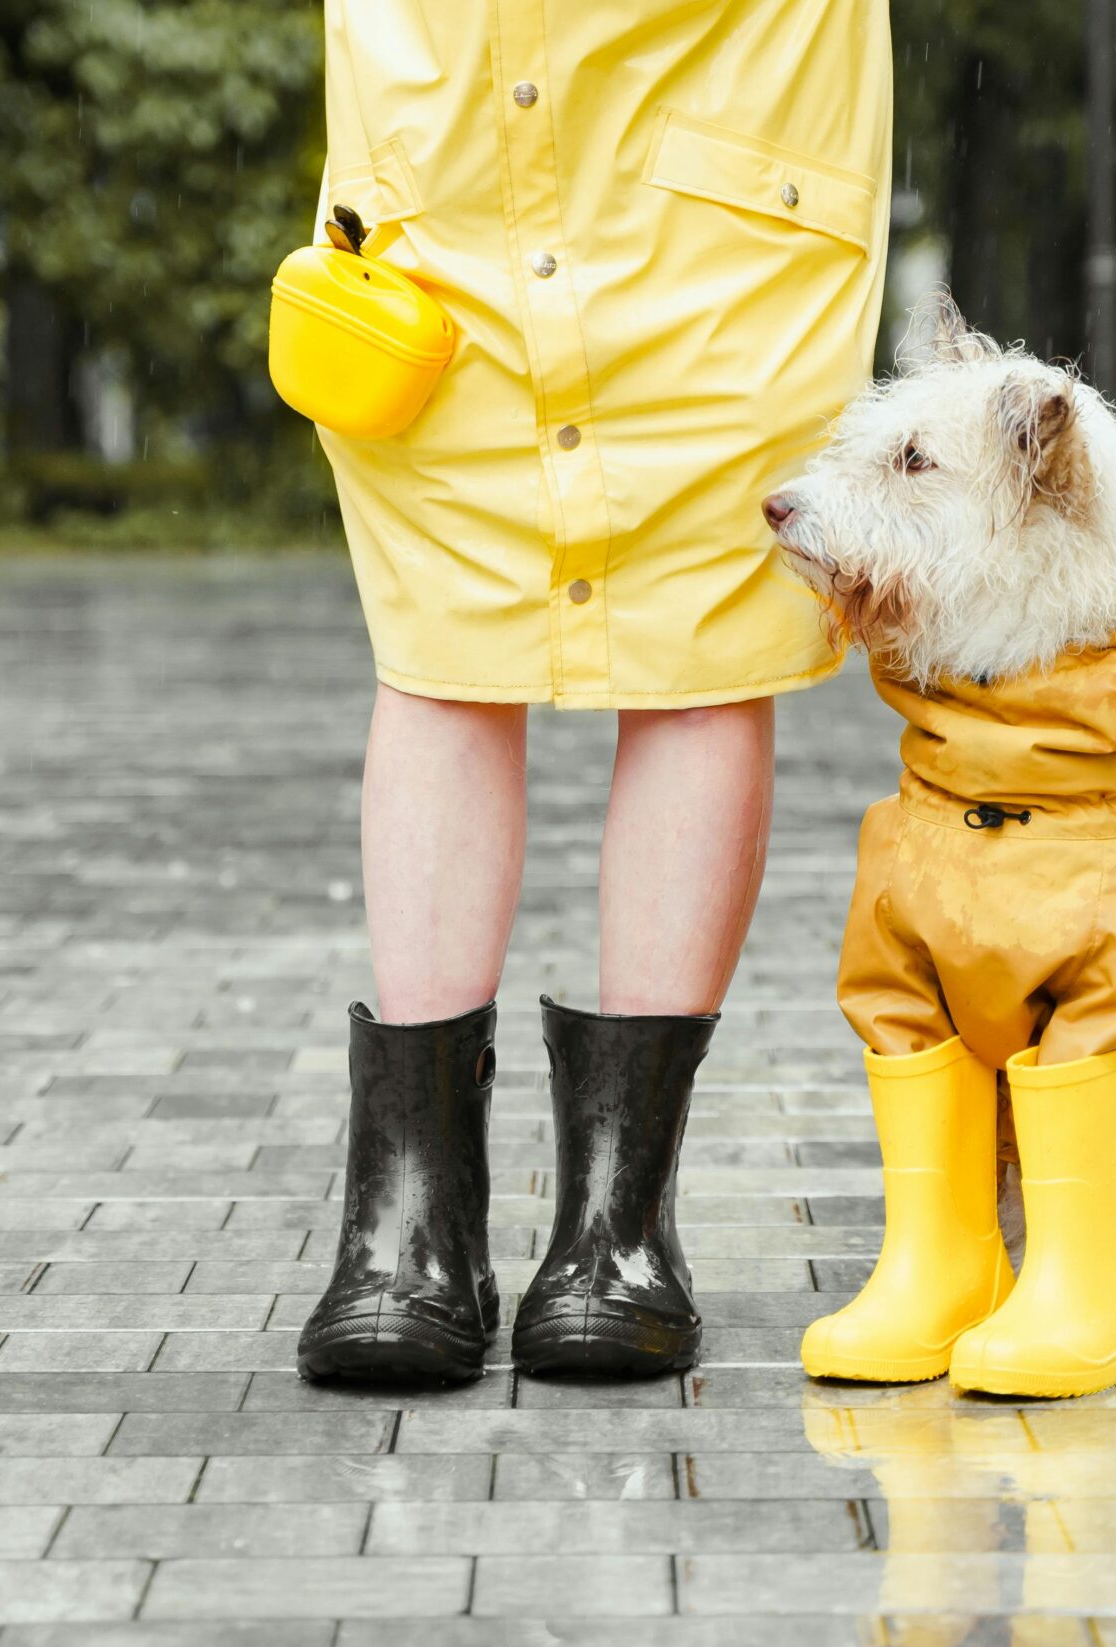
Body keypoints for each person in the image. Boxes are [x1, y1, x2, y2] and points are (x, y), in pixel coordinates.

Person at [298, 0, 894, 1384]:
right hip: (445, 146)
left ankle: (619, 1232)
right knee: (442, 643)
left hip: (728, 130)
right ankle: (409, 1227)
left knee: (701, 649)